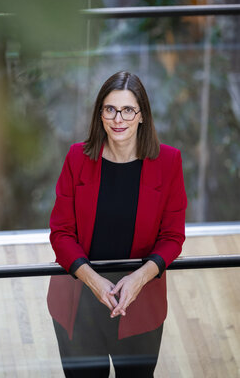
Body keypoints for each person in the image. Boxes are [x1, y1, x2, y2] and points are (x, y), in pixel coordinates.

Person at [47, 71, 187, 377]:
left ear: (141, 116)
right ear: (100, 114)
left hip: (140, 302)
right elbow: (61, 233)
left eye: (127, 110)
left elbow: (173, 237)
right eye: (110, 109)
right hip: (79, 300)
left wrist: (139, 278)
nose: (118, 119)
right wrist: (94, 281)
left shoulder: (168, 162)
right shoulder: (77, 158)